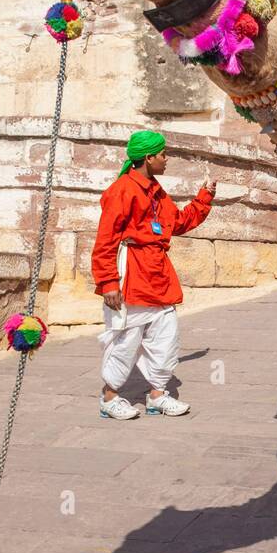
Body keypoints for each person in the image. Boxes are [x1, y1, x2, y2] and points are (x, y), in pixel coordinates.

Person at [92, 130, 215, 420]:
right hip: (132, 274)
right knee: (125, 339)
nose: (166, 159)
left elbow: (179, 222)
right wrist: (108, 282)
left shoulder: (157, 191)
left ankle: (157, 395)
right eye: (162, 154)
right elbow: (105, 240)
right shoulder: (121, 190)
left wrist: (205, 196)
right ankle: (109, 397)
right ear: (148, 158)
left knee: (166, 337)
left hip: (159, 274)